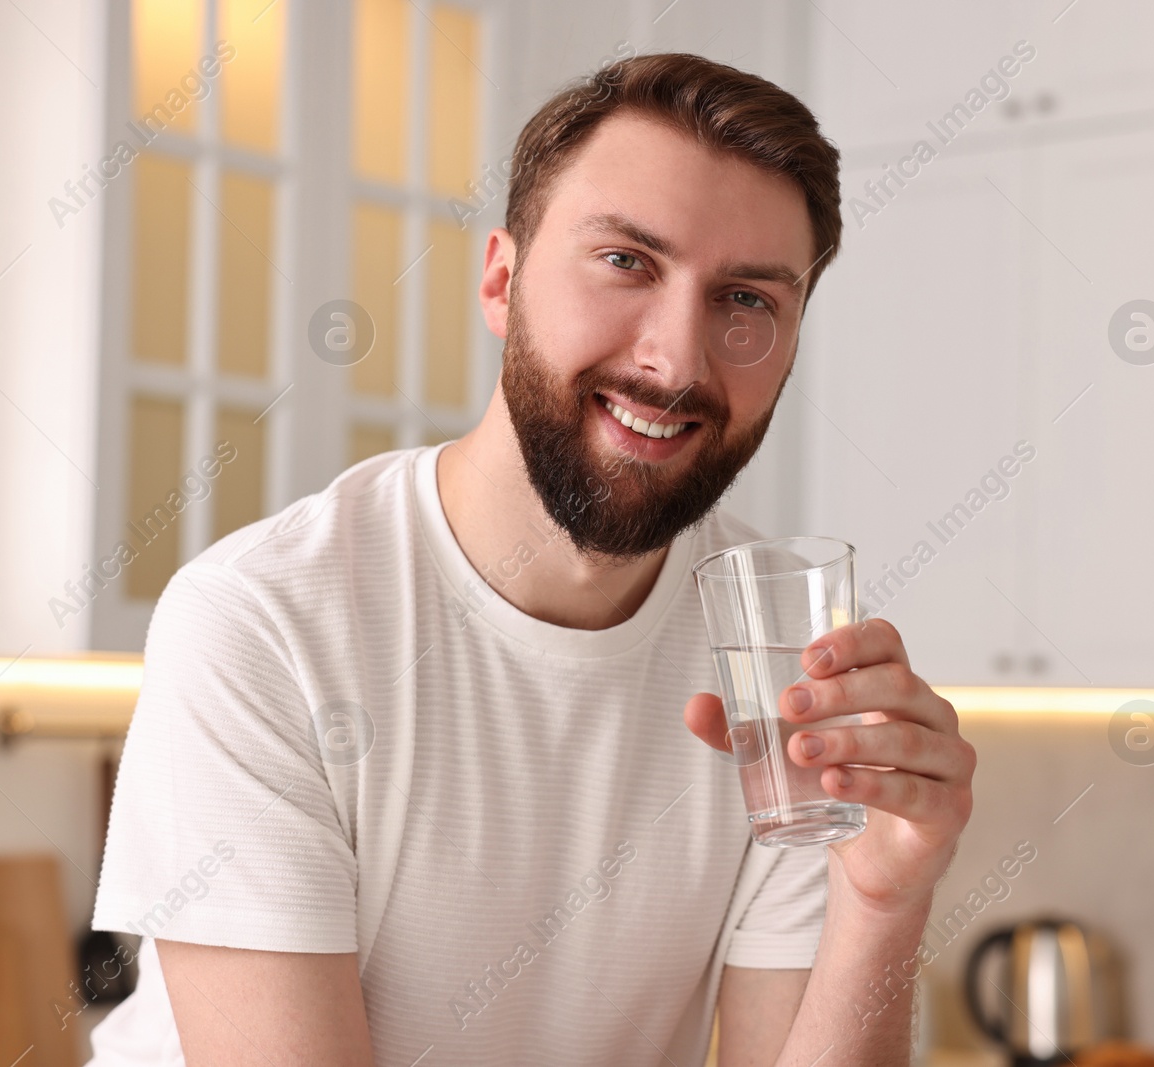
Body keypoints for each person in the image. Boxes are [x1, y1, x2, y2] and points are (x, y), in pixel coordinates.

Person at [88, 51, 975, 1067]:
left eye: (745, 301)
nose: (675, 358)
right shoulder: (263, 623)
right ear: (502, 281)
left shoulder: (775, 663)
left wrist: (882, 896)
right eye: (626, 262)